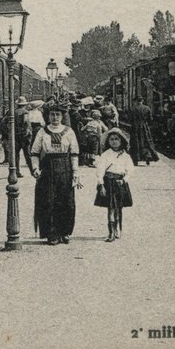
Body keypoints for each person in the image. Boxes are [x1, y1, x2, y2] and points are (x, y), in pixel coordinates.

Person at [30, 105, 82, 245]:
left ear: (62, 116)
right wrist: (35, 168)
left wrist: (75, 173)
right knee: (48, 201)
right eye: (52, 114)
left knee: (66, 202)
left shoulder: (69, 131)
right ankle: (51, 233)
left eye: (57, 115)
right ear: (48, 116)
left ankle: (65, 232)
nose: (55, 117)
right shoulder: (42, 132)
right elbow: (34, 152)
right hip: (47, 168)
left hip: (65, 169)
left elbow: (75, 154)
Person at [94, 128, 134, 242]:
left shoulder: (125, 156)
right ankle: (111, 232)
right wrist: (101, 184)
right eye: (111, 139)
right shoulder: (105, 155)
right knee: (111, 208)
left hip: (120, 183)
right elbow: (100, 170)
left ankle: (118, 229)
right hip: (109, 183)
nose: (114, 141)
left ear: (121, 141)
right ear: (108, 141)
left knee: (119, 207)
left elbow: (130, 170)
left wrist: (125, 179)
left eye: (117, 139)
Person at [128, 96, 159, 166]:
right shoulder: (147, 108)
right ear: (142, 100)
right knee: (146, 142)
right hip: (144, 127)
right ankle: (147, 159)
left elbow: (129, 119)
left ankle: (135, 160)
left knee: (135, 143)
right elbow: (150, 119)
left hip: (135, 128)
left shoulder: (132, 108)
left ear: (136, 101)